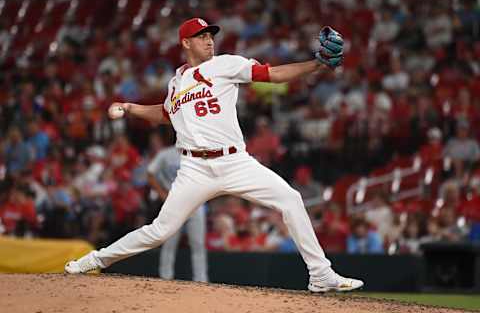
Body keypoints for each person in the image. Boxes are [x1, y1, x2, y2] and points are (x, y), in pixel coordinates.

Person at [65, 18, 363, 292]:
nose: (209, 41)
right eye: (201, 36)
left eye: (210, 36)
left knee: (290, 199)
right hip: (194, 168)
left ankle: (321, 274)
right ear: (186, 43)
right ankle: (95, 260)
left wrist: (315, 65)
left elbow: (271, 74)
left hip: (234, 161)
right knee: (159, 231)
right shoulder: (176, 81)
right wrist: (130, 107)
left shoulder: (225, 64)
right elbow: (166, 113)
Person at [147, 145, 208, 282]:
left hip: (196, 202)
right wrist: (162, 193)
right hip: (174, 202)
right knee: (169, 242)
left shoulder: (200, 153)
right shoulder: (166, 154)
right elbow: (150, 173)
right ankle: (165, 277)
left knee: (198, 243)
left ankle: (201, 280)